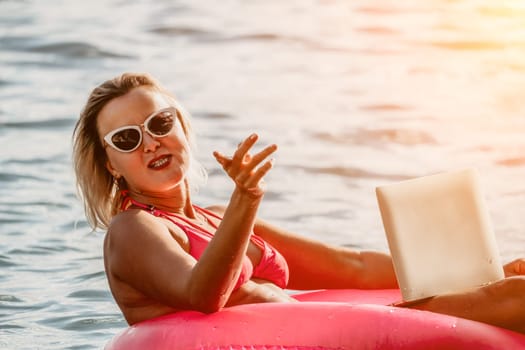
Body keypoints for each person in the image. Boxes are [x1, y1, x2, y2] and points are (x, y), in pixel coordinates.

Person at [73, 72, 525, 334]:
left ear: (181, 127)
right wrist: (246, 200)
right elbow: (202, 295)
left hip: (332, 329)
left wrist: (487, 269)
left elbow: (351, 267)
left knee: (512, 281)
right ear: (112, 164)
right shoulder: (133, 231)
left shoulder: (211, 221)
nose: (150, 142)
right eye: (128, 138)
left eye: (160, 122)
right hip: (318, 337)